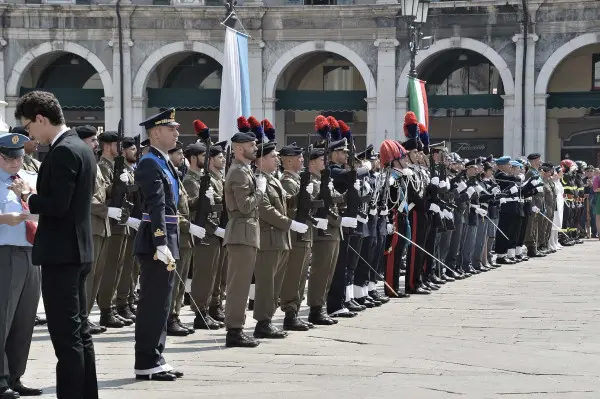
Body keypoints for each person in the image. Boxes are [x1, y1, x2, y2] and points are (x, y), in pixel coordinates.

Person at [11, 90, 98, 399]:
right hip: (78, 250)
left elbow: (58, 205)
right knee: (80, 333)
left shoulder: (62, 151)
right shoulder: (81, 147)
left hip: (62, 253)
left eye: (29, 126)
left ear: (40, 118)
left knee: (66, 337)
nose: (29, 134)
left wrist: (28, 197)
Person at [134, 108, 185, 381]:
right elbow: (156, 206)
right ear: (155, 133)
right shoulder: (149, 162)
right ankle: (146, 361)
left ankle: (156, 356)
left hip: (169, 236)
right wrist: (160, 242)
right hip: (157, 240)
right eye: (171, 129)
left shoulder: (163, 161)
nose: (177, 132)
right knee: (153, 303)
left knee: (163, 303)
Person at [0, 132, 42, 399]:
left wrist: (29, 199)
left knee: (24, 319)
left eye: (19, 157)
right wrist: (4, 218)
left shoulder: (29, 179)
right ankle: (0, 379)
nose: (15, 163)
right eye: (8, 158)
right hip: (4, 252)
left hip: (31, 252)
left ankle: (16, 376)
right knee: (3, 318)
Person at [223, 130, 262, 348]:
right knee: (238, 285)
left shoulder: (244, 170)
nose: (255, 148)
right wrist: (260, 192)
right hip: (241, 232)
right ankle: (234, 331)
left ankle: (237, 328)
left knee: (242, 284)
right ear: (239, 148)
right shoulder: (238, 172)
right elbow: (245, 206)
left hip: (246, 232)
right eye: (251, 145)